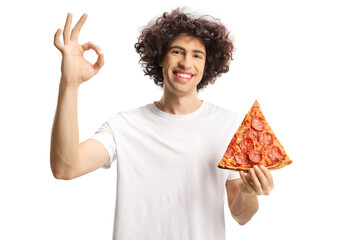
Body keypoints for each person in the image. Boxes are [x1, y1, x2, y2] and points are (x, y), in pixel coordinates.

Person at [51, 8, 274, 240]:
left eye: (197, 55)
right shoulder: (125, 126)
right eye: (177, 51)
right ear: (160, 57)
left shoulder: (228, 126)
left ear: (207, 64)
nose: (186, 63)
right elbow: (66, 167)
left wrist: (248, 191)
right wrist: (70, 84)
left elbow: (241, 215)